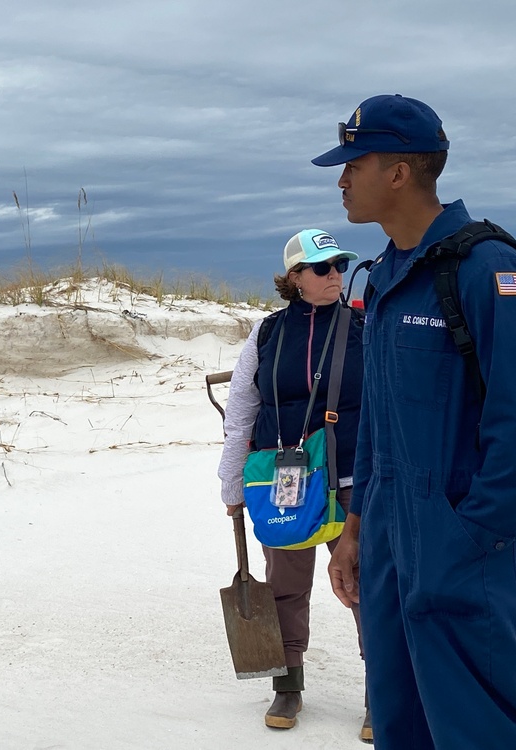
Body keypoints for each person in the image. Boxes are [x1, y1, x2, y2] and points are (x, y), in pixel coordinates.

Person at [314, 95, 516, 749]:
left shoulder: (490, 269)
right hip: (391, 550)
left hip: (465, 552)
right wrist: (356, 530)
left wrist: (472, 538)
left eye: (354, 163)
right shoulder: (389, 276)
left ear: (398, 171)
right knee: (402, 727)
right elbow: (378, 426)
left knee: (486, 734)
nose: (341, 179)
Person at [218, 229, 372, 741]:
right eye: (322, 267)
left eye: (339, 266)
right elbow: (241, 409)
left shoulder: (366, 327)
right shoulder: (266, 333)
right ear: (294, 278)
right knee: (285, 583)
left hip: (350, 476)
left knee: (364, 583)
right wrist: (231, 481)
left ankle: (383, 688)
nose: (335, 275)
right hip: (283, 478)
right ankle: (288, 681)